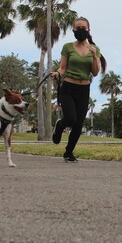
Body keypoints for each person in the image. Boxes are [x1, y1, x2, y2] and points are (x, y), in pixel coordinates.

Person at [51, 17, 106, 162]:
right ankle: (60, 125)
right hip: (68, 88)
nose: (81, 30)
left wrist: (95, 56)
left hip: (84, 89)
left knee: (78, 123)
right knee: (70, 118)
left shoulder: (95, 49)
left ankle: (68, 153)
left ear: (88, 30)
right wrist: (57, 73)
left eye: (83, 28)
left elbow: (94, 72)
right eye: (78, 28)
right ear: (73, 30)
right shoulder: (68, 47)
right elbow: (63, 68)